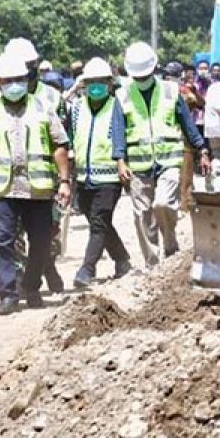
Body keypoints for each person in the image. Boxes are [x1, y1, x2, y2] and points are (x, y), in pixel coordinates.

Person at [0, 52, 68, 315]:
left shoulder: (42, 107)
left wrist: (65, 180)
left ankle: (31, 284)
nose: (15, 85)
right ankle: (8, 293)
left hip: (38, 188)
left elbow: (60, 144)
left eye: (19, 79)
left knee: (42, 241)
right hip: (1, 189)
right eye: (9, 80)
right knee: (2, 242)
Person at [116, 42, 210, 267]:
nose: (141, 79)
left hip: (169, 161)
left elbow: (188, 124)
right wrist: (120, 161)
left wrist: (202, 151)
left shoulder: (170, 91)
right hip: (138, 164)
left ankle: (169, 242)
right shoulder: (122, 96)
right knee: (142, 214)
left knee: (163, 204)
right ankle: (152, 263)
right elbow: (118, 130)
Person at [2, 37, 65, 293]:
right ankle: (21, 284)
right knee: (13, 236)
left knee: (45, 235)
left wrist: (64, 179)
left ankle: (44, 268)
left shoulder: (51, 96)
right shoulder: (0, 97)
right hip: (9, 180)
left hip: (43, 180)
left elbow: (62, 140)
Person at [68, 57, 130, 288]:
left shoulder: (115, 105)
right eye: (90, 82)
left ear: (109, 83)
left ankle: (87, 269)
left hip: (109, 177)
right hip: (84, 177)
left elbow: (119, 136)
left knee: (99, 223)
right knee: (99, 222)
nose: (96, 86)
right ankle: (122, 260)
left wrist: (121, 162)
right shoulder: (76, 107)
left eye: (101, 82)